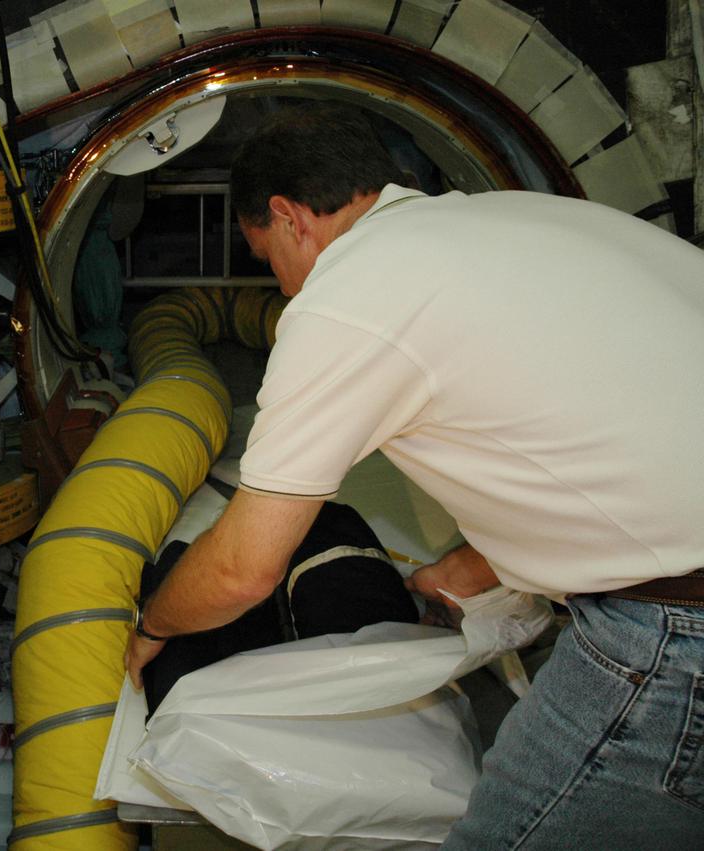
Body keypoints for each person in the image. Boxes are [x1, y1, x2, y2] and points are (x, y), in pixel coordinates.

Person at [123, 99, 704, 847]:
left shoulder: (353, 292)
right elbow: (610, 431)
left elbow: (242, 569)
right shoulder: (525, 220)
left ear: (290, 216)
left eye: (271, 262)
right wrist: (467, 565)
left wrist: (154, 624)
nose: (287, 290)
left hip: (675, 628)